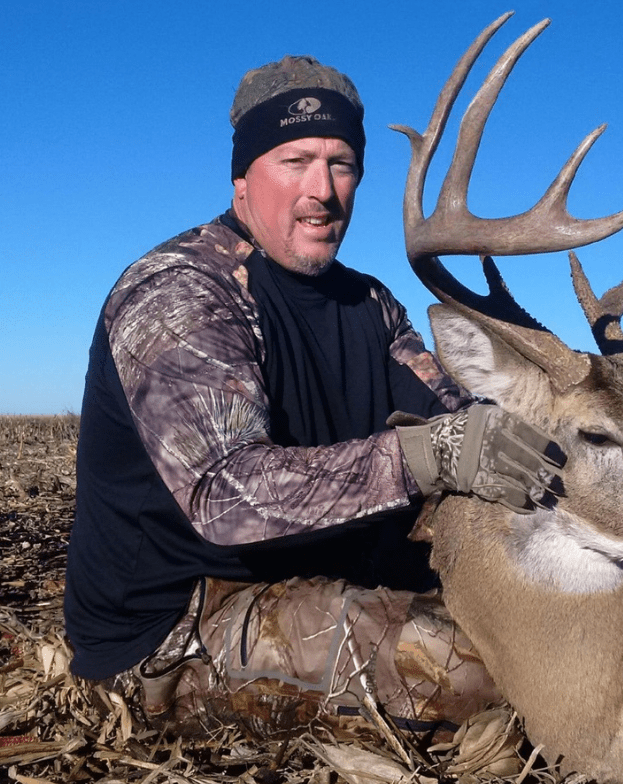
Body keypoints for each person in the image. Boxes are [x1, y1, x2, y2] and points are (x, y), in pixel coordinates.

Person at [64, 55, 563, 739]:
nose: (322, 190)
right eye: (294, 161)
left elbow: (455, 417)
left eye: (342, 165)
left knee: (551, 614)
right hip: (181, 627)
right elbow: (224, 494)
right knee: (478, 666)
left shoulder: (370, 303)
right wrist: (432, 455)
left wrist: (541, 430)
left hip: (324, 578)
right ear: (243, 176)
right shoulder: (181, 292)